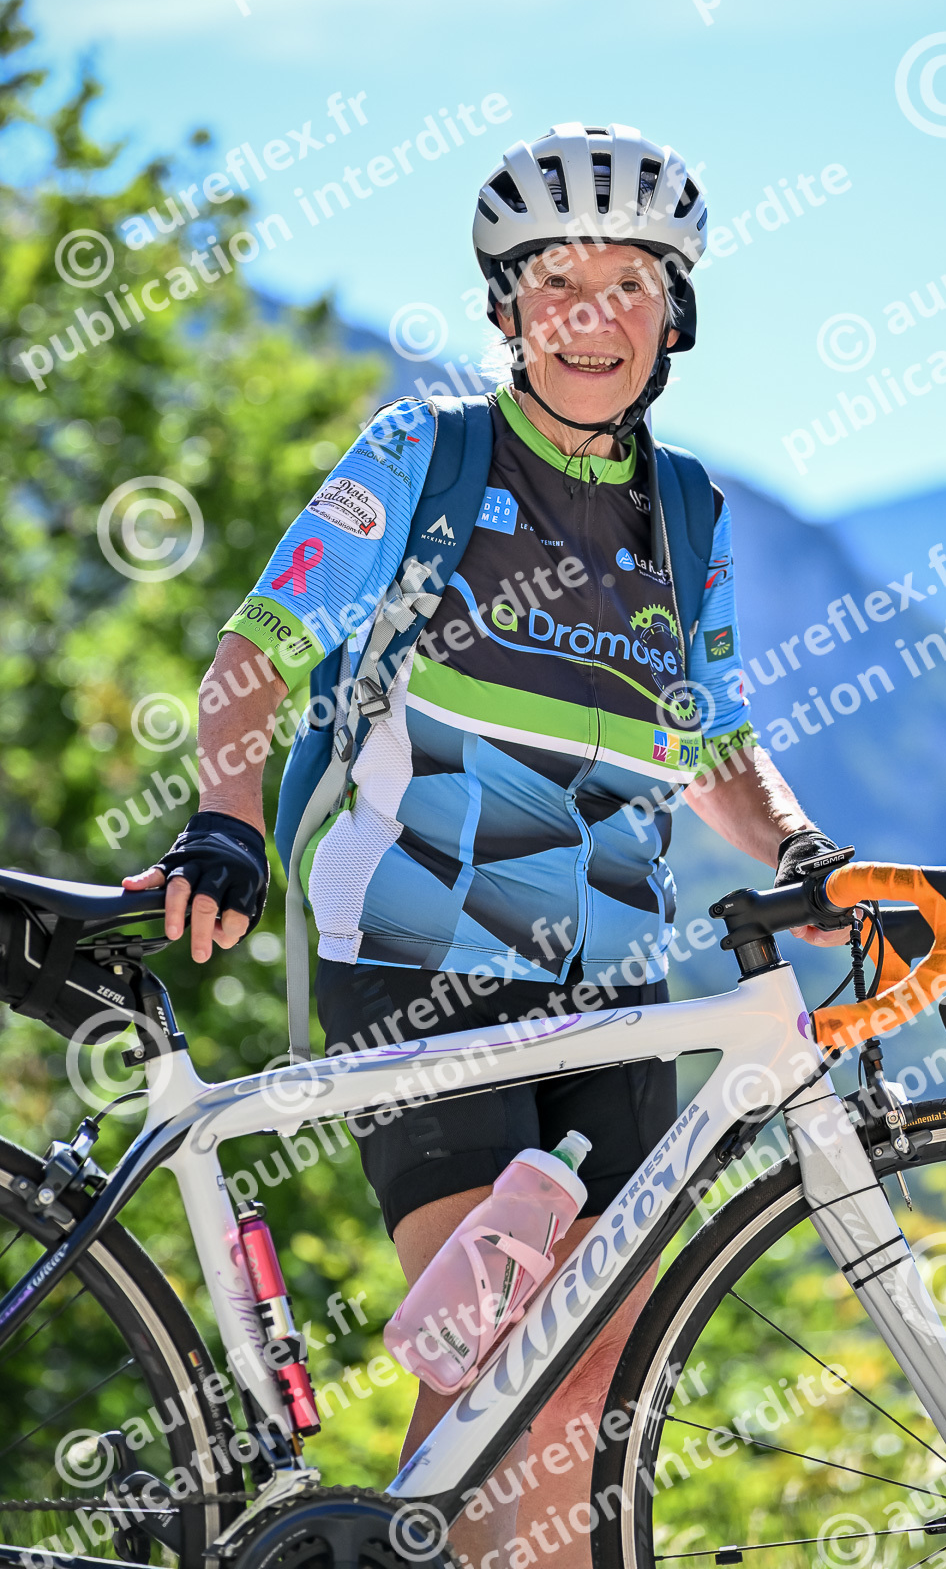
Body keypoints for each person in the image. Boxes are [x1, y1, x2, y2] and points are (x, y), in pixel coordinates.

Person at [128, 123, 847, 1565]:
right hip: (418, 950)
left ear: (675, 315)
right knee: (506, 1337)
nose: (592, 316)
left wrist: (805, 853)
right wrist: (226, 817)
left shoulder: (688, 509)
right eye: (555, 281)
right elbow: (261, 647)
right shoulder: (428, 455)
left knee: (582, 1396)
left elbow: (710, 736)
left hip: (615, 986)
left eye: (629, 284)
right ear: (506, 307)